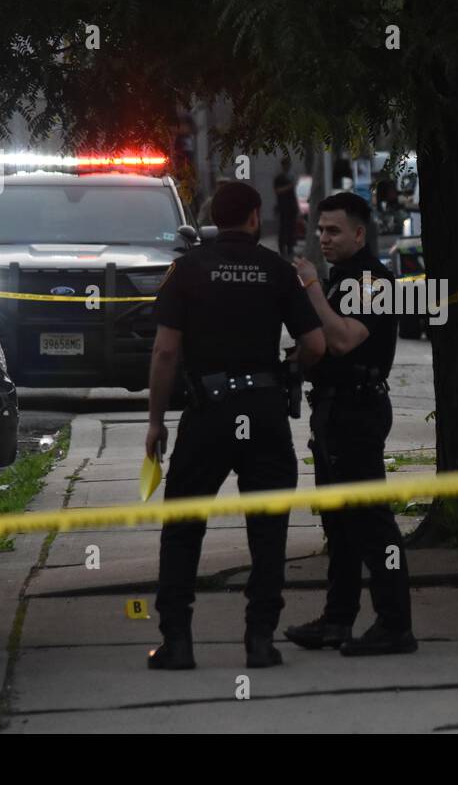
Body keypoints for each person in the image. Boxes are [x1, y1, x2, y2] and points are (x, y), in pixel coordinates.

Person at [145, 180, 325, 670]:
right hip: (264, 412)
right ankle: (260, 641)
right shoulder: (278, 271)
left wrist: (156, 422)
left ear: (212, 218)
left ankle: (177, 643)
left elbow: (165, 352)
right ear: (254, 217)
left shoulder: (186, 271)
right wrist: (290, 372)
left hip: (208, 413)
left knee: (183, 527)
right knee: (268, 530)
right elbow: (316, 345)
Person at [287, 192, 417, 656]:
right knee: (339, 524)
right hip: (332, 411)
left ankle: (395, 624)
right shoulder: (342, 278)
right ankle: (337, 620)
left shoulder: (373, 281)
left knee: (370, 522)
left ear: (359, 233)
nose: (324, 238)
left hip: (357, 412)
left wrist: (311, 290)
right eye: (320, 230)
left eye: (334, 230)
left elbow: (342, 340)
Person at [273, 155, 299, 258]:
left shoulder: (291, 177)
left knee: (291, 228)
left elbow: (293, 194)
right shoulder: (279, 178)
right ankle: (282, 248)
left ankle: (290, 248)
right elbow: (277, 191)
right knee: (283, 228)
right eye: (286, 164)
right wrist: (289, 187)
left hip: (291, 206)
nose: (287, 167)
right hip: (283, 207)